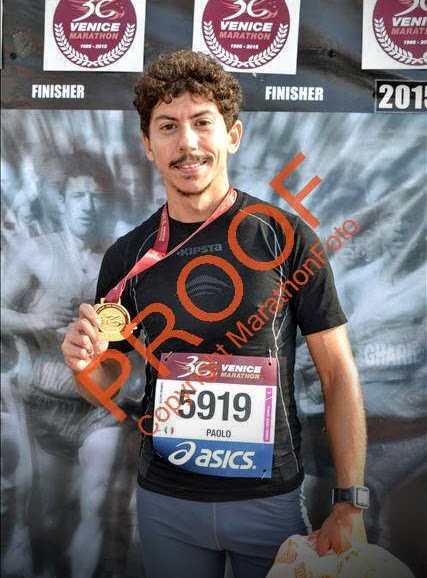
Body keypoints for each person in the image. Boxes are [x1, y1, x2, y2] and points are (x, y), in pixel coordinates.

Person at [61, 50, 368, 578]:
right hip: (167, 504)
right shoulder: (127, 256)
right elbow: (106, 378)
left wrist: (350, 501)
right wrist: (83, 362)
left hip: (270, 502)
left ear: (233, 135)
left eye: (202, 122)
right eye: (167, 126)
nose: (187, 143)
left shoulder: (286, 237)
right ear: (147, 145)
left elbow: (338, 372)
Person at [1, 151, 134, 578]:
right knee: (45, 519)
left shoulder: (123, 261)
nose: (88, 206)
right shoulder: (38, 252)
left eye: (97, 197)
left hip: (102, 408)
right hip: (43, 402)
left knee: (99, 505)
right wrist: (33, 323)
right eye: (79, 196)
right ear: (63, 201)